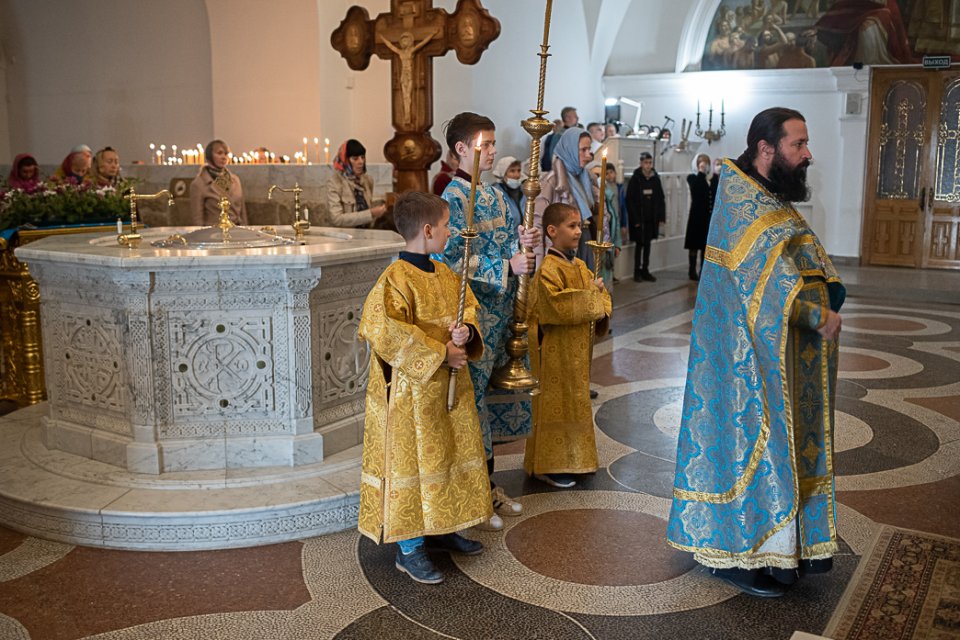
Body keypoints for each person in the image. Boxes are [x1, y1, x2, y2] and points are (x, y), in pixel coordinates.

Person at [666, 107, 845, 598]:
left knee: (779, 447)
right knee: (750, 445)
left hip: (772, 347)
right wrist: (814, 313)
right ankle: (737, 554)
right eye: (798, 144)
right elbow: (765, 282)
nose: (807, 154)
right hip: (740, 356)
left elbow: (803, 257)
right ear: (767, 149)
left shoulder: (767, 196)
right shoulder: (741, 201)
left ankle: (785, 549)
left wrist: (826, 292)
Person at [357, 191, 491, 585]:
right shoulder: (394, 279)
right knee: (414, 465)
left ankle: (443, 525)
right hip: (413, 395)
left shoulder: (447, 274)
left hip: (450, 389)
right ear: (428, 230)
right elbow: (381, 330)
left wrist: (467, 330)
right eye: (447, 225)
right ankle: (410, 548)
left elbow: (468, 305)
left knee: (448, 456)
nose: (451, 232)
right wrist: (440, 353)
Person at [438, 112, 540, 531]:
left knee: (488, 403)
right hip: (473, 317)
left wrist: (525, 243)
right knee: (470, 404)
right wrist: (507, 264)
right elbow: (451, 256)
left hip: (501, 315)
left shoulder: (497, 194)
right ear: (461, 149)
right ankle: (476, 493)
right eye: (485, 144)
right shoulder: (452, 197)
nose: (493, 150)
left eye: (494, 143)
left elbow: (509, 238)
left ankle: (488, 485)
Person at [524, 203, 611, 488]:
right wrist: (592, 297)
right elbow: (557, 306)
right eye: (571, 226)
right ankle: (548, 465)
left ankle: (575, 458)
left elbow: (602, 297)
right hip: (555, 353)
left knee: (575, 403)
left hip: (577, 351)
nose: (578, 231)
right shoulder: (548, 269)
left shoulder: (581, 265)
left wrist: (597, 299)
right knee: (556, 405)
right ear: (552, 231)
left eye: (579, 226)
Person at [534, 127, 596, 271]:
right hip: (561, 246)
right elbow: (538, 223)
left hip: (584, 237)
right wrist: (541, 265)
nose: (588, 155)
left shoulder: (585, 177)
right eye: (583, 150)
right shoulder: (552, 181)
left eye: (589, 149)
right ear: (570, 150)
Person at [327, 139, 387, 228]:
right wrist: (370, 213)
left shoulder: (368, 180)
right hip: (347, 237)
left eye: (362, 157)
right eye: (355, 159)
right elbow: (337, 219)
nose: (361, 162)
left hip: (366, 234)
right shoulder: (335, 182)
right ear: (345, 161)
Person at [625, 152, 665, 282]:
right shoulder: (636, 179)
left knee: (648, 244)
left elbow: (660, 198)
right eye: (645, 163)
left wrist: (661, 216)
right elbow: (630, 200)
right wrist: (635, 219)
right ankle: (637, 271)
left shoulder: (655, 178)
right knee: (639, 245)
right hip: (639, 218)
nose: (648, 166)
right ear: (641, 163)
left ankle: (645, 270)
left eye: (650, 163)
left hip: (651, 218)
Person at [190, 139, 248, 226]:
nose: (224, 157)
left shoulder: (235, 180)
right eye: (219, 153)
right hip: (214, 233)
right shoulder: (199, 184)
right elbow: (197, 219)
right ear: (210, 156)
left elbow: (243, 213)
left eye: (226, 154)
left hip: (236, 230)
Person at [587, 159, 622, 293]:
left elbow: (614, 219)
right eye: (595, 175)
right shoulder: (588, 197)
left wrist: (617, 243)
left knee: (607, 289)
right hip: (593, 248)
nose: (598, 178)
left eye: (600, 175)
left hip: (607, 247)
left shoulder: (607, 196)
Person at [684, 153, 713, 281]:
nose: (705, 166)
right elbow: (696, 189)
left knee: (704, 246)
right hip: (696, 217)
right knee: (694, 245)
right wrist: (700, 173)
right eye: (702, 163)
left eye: (706, 163)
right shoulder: (692, 178)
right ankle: (691, 270)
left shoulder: (710, 179)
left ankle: (703, 270)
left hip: (707, 217)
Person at [540, 106, 579, 172]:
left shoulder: (575, 133)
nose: (578, 118)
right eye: (575, 116)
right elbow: (554, 157)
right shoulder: (560, 135)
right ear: (567, 118)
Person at [491, 155, 524, 229]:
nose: (517, 175)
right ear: (503, 173)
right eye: (512, 171)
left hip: (523, 238)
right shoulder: (495, 192)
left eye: (519, 170)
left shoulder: (523, 191)